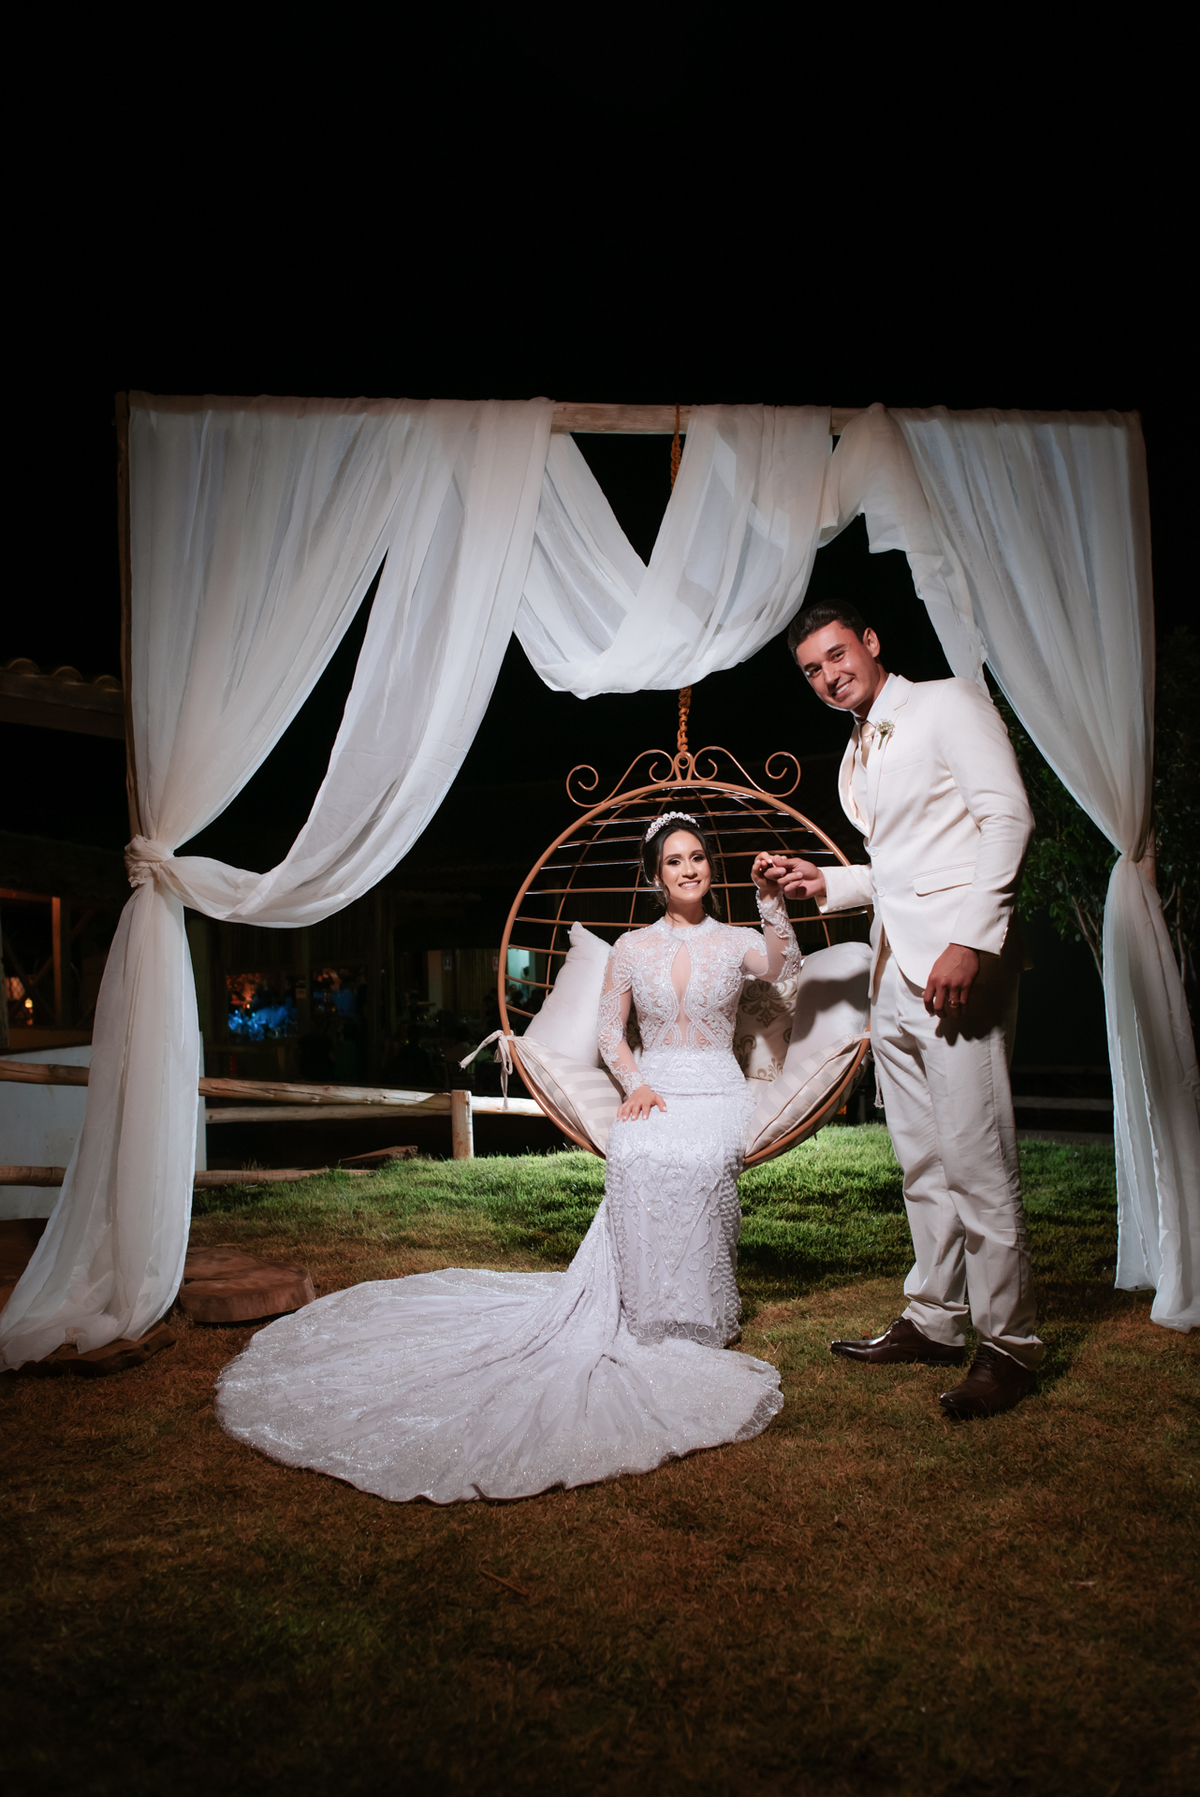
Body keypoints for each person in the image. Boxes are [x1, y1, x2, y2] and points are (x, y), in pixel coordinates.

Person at [215, 813, 796, 1503]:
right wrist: (636, 1084)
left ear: (710, 867)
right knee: (638, 1154)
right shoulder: (631, 948)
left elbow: (783, 968)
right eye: (674, 861)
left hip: (716, 1089)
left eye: (697, 857)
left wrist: (771, 901)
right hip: (656, 1084)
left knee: (699, 1160)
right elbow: (610, 1033)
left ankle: (698, 1313)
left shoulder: (736, 941)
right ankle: (646, 1313)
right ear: (654, 876)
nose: (689, 869)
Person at [776, 600, 1042, 1419]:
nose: (828, 676)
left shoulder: (948, 703)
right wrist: (828, 882)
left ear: (870, 642)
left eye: (836, 655)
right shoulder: (856, 748)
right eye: (812, 670)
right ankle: (934, 1317)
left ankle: (1010, 1344)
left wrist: (973, 941)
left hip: (956, 968)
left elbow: (1008, 818)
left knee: (976, 1158)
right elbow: (899, 867)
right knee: (922, 1160)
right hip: (894, 975)